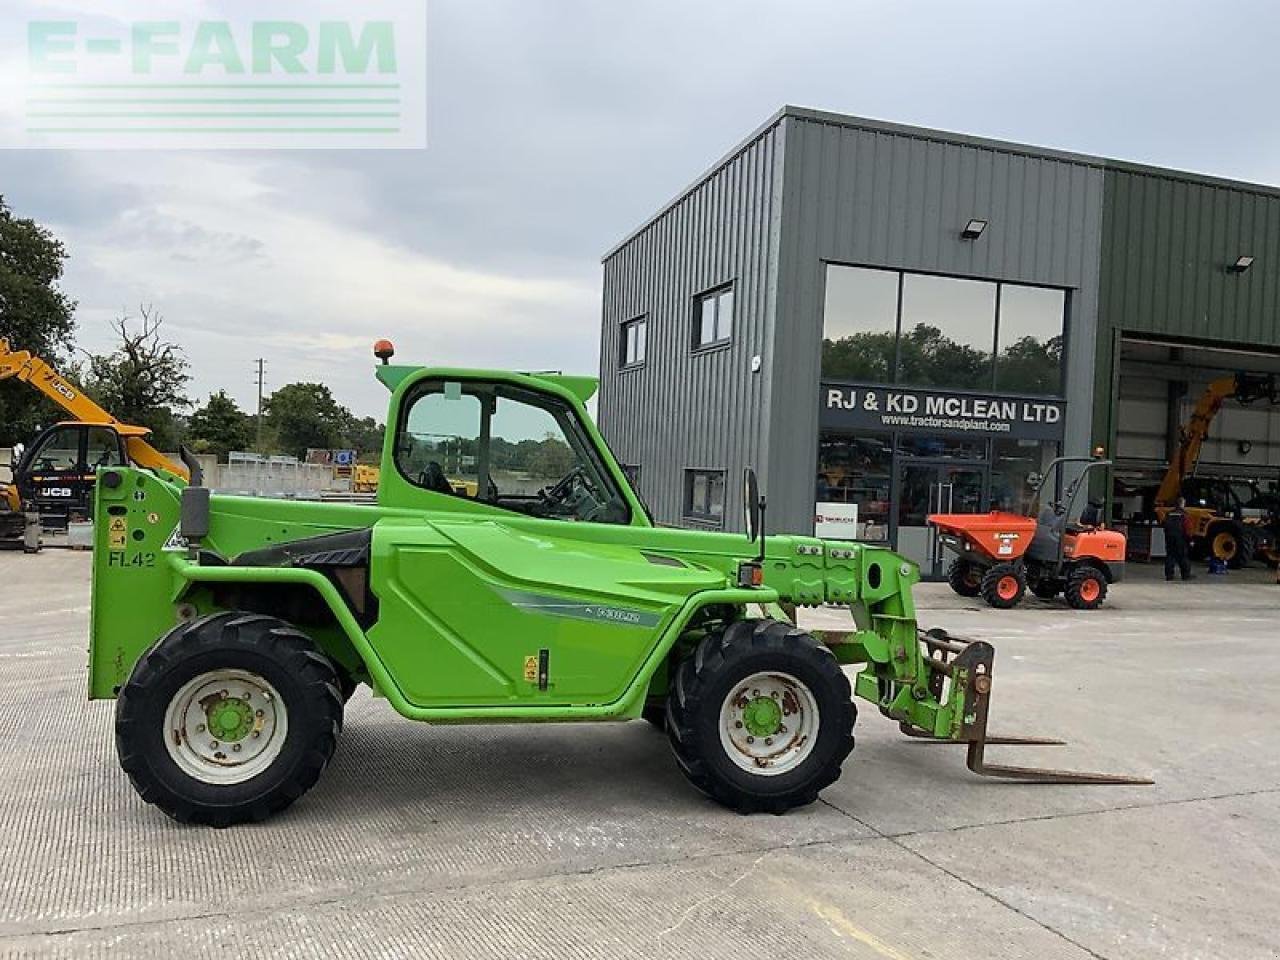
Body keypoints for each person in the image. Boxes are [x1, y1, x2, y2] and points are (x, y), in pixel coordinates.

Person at [1163, 497, 1194, 582]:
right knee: (1183, 557)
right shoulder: (1184, 514)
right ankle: (1185, 575)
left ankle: (1169, 575)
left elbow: (1164, 525)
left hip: (1170, 539)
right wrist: (1190, 539)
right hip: (1181, 539)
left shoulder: (1169, 514)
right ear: (1182, 504)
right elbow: (1188, 528)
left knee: (1170, 556)